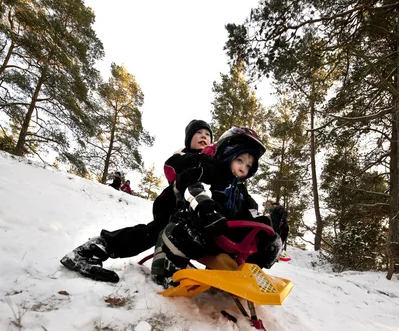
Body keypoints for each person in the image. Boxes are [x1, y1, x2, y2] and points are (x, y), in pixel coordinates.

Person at [60, 120, 213, 283]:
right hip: (173, 204)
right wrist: (201, 160)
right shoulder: (182, 156)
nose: (204, 136)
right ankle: (91, 251)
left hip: (200, 211)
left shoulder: (218, 165)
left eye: (208, 135)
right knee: (153, 233)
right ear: (189, 138)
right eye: (199, 133)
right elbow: (171, 170)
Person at [151, 127, 282, 287]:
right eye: (239, 161)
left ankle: (245, 274)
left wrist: (269, 228)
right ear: (227, 154)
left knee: (262, 229)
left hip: (223, 236)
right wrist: (207, 210)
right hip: (201, 229)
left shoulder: (240, 190)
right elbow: (194, 189)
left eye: (248, 166)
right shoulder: (210, 171)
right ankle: (167, 268)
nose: (243, 168)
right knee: (184, 224)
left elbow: (251, 213)